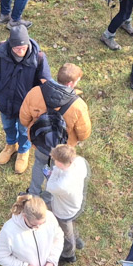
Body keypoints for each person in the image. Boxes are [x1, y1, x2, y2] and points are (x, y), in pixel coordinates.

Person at [18, 60, 91, 195]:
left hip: (41, 142)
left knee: (39, 163)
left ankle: (33, 193)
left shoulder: (35, 92)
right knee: (58, 171)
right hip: (63, 148)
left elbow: (23, 118)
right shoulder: (78, 106)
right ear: (70, 84)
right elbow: (83, 134)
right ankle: (50, 196)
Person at [0, 24, 50, 177]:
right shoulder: (1, 50)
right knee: (8, 125)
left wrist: (36, 103)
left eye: (23, 48)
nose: (21, 51)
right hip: (6, 100)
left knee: (25, 130)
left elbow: (45, 82)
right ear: (11, 45)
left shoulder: (38, 57)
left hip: (26, 106)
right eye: (17, 49)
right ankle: (10, 145)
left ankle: (23, 151)